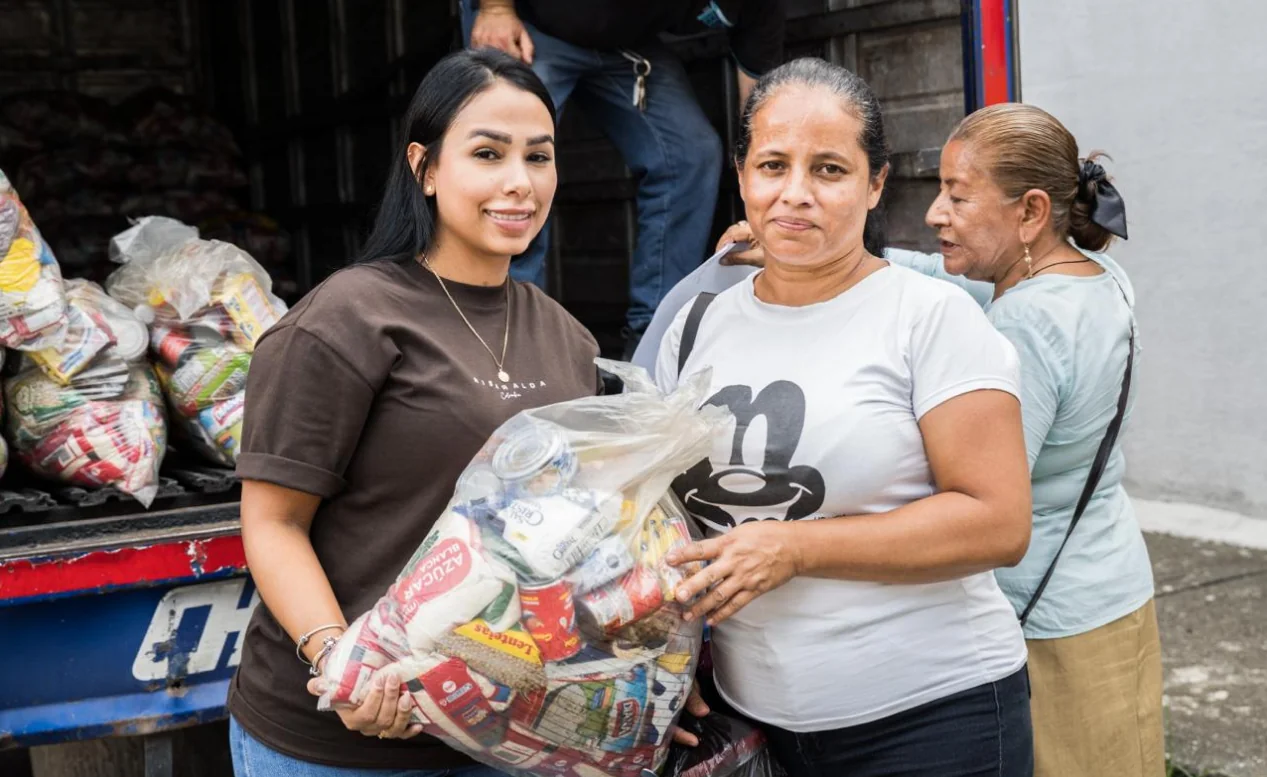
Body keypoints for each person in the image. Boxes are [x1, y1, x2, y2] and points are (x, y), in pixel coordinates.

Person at [696, 103, 1162, 777]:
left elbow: (982, 497)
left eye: (956, 195)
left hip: (1049, 616)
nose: (935, 213)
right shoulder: (1088, 274)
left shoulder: (1023, 326)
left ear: (1029, 213)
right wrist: (805, 239)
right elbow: (938, 271)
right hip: (1111, 580)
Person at [226, 49, 603, 776]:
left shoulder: (568, 337)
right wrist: (338, 660)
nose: (518, 183)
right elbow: (273, 523)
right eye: (488, 154)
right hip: (339, 741)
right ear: (425, 169)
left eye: (539, 156)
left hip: (502, 732)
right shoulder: (346, 319)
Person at [656, 58, 1036, 777]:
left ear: (874, 184)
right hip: (757, 724)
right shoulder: (696, 321)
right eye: (772, 164)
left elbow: (997, 521)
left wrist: (797, 547)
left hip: (930, 720)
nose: (794, 193)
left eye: (828, 169)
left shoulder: (928, 318)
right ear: (741, 175)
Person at [462, 0, 787, 357]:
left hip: (626, 46)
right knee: (512, 148)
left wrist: (763, 199)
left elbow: (759, 115)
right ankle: (507, 343)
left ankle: (655, 344)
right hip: (532, 20)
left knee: (690, 154)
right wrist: (494, 9)